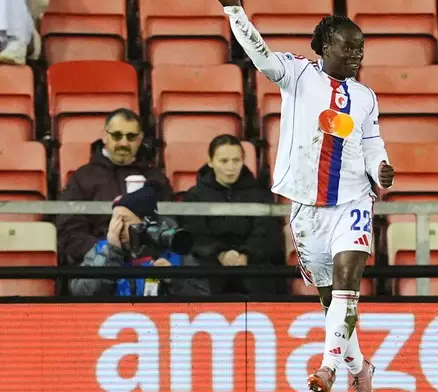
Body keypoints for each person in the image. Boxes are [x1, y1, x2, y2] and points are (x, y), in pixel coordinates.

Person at [218, 2, 396, 391]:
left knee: (349, 283)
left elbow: (371, 143)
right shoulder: (297, 73)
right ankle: (360, 369)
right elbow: (260, 55)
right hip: (307, 208)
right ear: (325, 47)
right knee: (332, 301)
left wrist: (379, 168)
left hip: (353, 201)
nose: (356, 55)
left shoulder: (365, 96)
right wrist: (236, 13)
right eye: (348, 48)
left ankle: (328, 369)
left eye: (360, 48)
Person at [56, 108, 174, 265]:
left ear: (140, 139)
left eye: (131, 137)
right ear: (105, 136)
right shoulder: (82, 177)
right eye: (117, 135)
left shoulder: (157, 179)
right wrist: (105, 250)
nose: (124, 143)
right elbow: (69, 229)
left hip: (148, 262)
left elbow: (170, 223)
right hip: (99, 262)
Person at [69, 181, 210, 297]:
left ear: (145, 223)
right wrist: (111, 254)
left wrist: (174, 280)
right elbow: (80, 293)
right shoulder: (100, 250)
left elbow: (204, 301)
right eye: (114, 219)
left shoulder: (176, 253)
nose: (116, 227)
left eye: (124, 219)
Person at [181, 135, 281, 295]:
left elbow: (267, 232)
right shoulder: (195, 195)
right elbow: (195, 232)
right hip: (209, 265)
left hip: (253, 265)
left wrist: (246, 255)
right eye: (224, 161)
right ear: (210, 161)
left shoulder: (260, 194)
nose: (231, 167)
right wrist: (220, 254)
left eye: (236, 160)